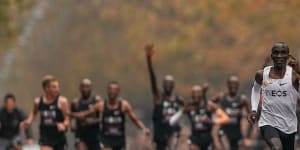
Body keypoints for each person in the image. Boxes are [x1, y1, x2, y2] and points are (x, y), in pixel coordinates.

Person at [248, 42, 300, 150]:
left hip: (289, 125)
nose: (279, 56)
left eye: (283, 53)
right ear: (272, 56)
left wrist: (299, 71)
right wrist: (253, 110)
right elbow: (256, 89)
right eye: (276, 53)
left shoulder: (294, 76)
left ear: (288, 56)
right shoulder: (262, 74)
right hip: (268, 121)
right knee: (276, 148)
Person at [71, 81, 150, 150]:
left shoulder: (124, 105)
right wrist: (69, 114)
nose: (112, 92)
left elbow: (135, 119)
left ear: (118, 91)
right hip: (106, 139)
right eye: (110, 89)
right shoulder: (101, 105)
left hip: (119, 140)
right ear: (107, 91)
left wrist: (143, 128)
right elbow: (84, 114)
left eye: (114, 90)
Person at [145, 44, 184, 150]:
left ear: (173, 85)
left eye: (170, 83)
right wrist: (149, 60)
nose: (168, 85)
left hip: (173, 131)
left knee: (173, 144)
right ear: (162, 85)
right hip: (160, 133)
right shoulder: (158, 97)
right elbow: (153, 79)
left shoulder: (178, 99)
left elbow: (188, 109)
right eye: (166, 83)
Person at [169, 85, 230, 150]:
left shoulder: (209, 106)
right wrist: (182, 110)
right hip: (195, 139)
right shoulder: (189, 107)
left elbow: (226, 118)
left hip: (207, 138)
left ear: (201, 95)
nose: (195, 96)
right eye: (193, 94)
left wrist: (212, 121)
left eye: (198, 94)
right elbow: (171, 121)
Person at [20, 75, 70, 150]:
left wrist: (64, 124)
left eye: (57, 87)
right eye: (54, 87)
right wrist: (28, 122)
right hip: (45, 137)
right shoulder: (38, 102)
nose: (57, 90)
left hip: (59, 137)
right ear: (46, 88)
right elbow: (33, 113)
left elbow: (67, 118)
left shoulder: (62, 101)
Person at [211, 75, 253, 150]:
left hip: (236, 132)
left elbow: (251, 117)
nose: (233, 86)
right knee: (226, 148)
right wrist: (217, 112)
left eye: (235, 84)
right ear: (227, 85)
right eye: (231, 84)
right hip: (224, 130)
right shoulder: (221, 96)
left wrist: (248, 136)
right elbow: (209, 103)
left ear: (238, 85)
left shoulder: (242, 99)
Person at [71, 78, 102, 150]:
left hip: (94, 135)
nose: (85, 89)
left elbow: (103, 118)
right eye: (83, 86)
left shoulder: (97, 101)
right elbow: (72, 116)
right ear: (80, 88)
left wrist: (92, 121)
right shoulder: (75, 102)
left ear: (91, 88)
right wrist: (72, 124)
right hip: (81, 134)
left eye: (87, 87)